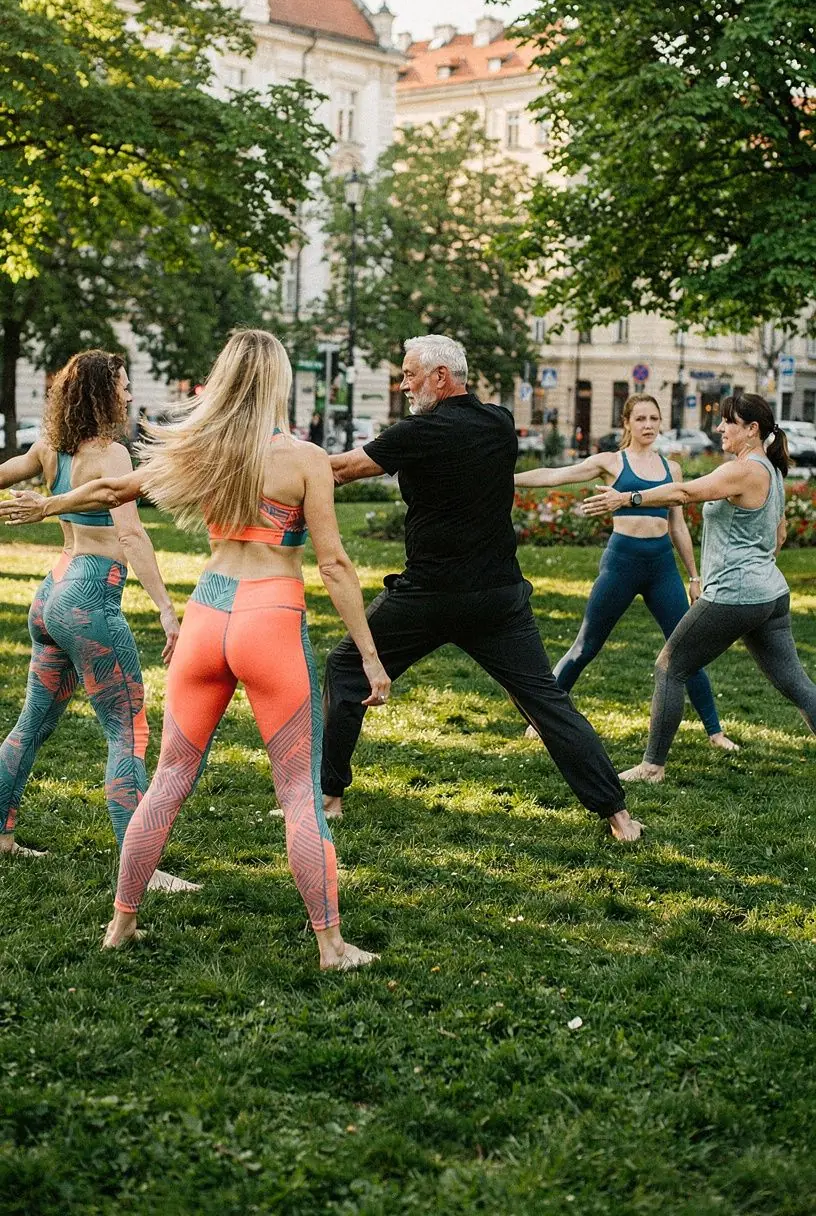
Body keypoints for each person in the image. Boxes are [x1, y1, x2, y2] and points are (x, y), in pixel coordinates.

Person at [2, 330, 390, 968]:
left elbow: (107, 495)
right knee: (297, 790)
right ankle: (331, 944)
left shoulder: (199, 450)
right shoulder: (302, 458)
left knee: (169, 778)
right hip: (270, 615)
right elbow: (336, 566)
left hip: (209, 614)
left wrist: (50, 504)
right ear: (277, 383)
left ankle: (121, 926)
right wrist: (371, 656)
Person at [320, 334, 642, 841]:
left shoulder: (417, 432)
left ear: (440, 377)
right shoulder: (498, 423)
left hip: (428, 595)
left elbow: (338, 471)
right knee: (544, 698)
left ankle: (331, 798)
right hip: (497, 597)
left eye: (409, 375)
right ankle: (618, 816)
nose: (403, 385)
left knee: (344, 667)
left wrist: (278, 456)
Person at [0, 350, 192, 894]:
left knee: (30, 726)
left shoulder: (50, 448)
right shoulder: (112, 457)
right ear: (102, 395)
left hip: (50, 596)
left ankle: (1, 837)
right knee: (127, 729)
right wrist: (165, 607)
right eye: (123, 387)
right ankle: (143, 871)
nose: (130, 396)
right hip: (88, 598)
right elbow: (131, 536)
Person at [583, 393, 816, 781]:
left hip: (735, 595)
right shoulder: (771, 470)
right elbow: (780, 533)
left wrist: (628, 497)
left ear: (751, 429)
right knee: (796, 683)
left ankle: (652, 766)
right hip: (770, 594)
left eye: (728, 422)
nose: (720, 428)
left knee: (670, 667)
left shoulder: (744, 470)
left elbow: (685, 492)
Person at [515, 395, 731, 753]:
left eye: (654, 418)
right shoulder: (611, 462)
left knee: (686, 651)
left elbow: (678, 527)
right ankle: (539, 720)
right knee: (585, 647)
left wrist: (694, 576)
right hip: (621, 564)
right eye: (641, 418)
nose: (648, 425)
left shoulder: (671, 469)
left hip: (661, 567)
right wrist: (508, 479)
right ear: (626, 423)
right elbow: (555, 475)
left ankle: (715, 732)